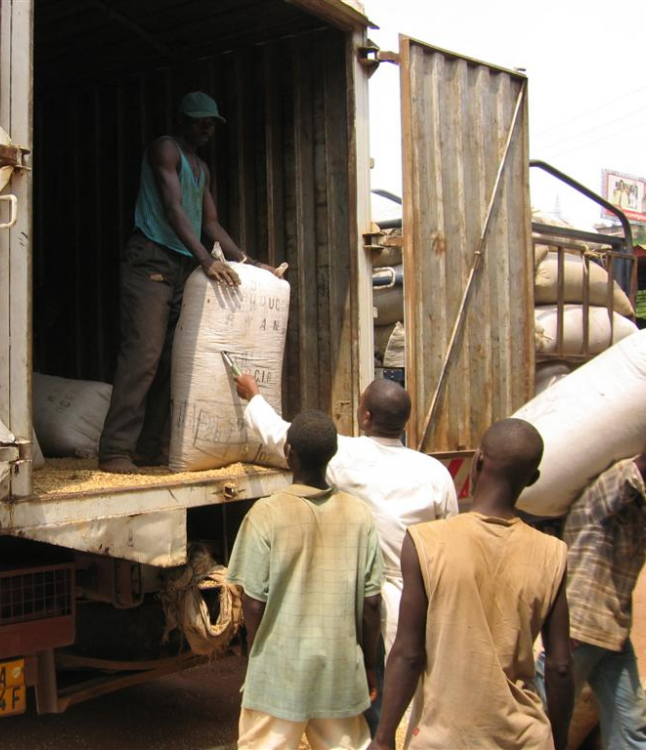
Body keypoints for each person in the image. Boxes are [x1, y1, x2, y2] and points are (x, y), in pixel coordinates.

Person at [233, 374, 457, 732]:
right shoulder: (435, 473)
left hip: (368, 598)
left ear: (365, 417)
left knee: (374, 703)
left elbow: (283, 434)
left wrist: (254, 397)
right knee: (413, 708)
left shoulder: (347, 456)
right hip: (420, 602)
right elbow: (449, 543)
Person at [98, 91, 278, 473]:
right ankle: (115, 451)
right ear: (182, 120)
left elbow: (209, 223)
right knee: (143, 355)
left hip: (181, 266)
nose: (207, 127)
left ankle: (148, 449)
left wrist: (249, 261)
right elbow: (173, 208)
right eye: (200, 121)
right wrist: (206, 259)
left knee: (170, 360)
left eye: (212, 122)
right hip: (150, 258)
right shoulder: (166, 150)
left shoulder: (201, 167)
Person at [371, 418, 574, 750]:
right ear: (533, 479)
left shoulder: (426, 542)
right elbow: (560, 665)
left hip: (445, 737)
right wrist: (561, 743)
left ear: (477, 460)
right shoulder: (553, 554)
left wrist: (383, 738)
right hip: (524, 738)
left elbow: (408, 654)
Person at [537, 354, 646, 750]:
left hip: (612, 632)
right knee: (541, 722)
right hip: (578, 631)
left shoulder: (635, 518)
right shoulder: (605, 499)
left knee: (632, 725)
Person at [226, 410, 383, 750]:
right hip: (340, 668)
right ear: (332, 455)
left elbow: (253, 603)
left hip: (278, 670)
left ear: (288, 451)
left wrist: (256, 654)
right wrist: (368, 665)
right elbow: (372, 604)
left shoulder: (265, 514)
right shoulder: (359, 515)